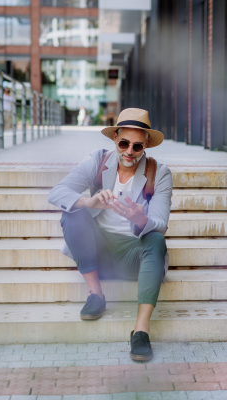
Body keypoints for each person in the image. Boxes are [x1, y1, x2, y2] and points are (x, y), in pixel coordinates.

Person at [48, 108, 173, 361]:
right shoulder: (98, 160)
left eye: (137, 146)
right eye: (124, 143)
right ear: (115, 137)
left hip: (134, 255)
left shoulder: (158, 173)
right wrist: (89, 202)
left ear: (146, 144)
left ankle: (141, 330)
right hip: (97, 251)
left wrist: (141, 218)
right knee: (73, 212)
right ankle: (96, 295)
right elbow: (57, 193)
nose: (129, 151)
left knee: (156, 239)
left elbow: (160, 224)